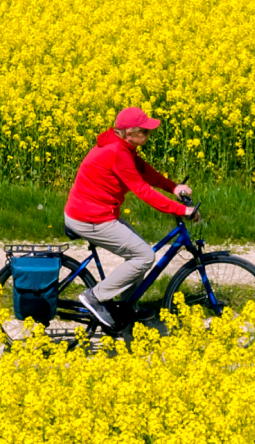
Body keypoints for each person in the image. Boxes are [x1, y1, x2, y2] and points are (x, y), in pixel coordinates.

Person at [63, 106, 195, 329]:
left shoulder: (123, 147)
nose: (148, 135)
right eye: (144, 132)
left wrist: (173, 187)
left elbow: (143, 170)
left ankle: (126, 307)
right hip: (90, 218)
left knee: (140, 252)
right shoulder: (116, 151)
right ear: (128, 133)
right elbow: (141, 189)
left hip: (97, 213)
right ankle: (95, 297)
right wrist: (180, 210)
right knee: (144, 257)